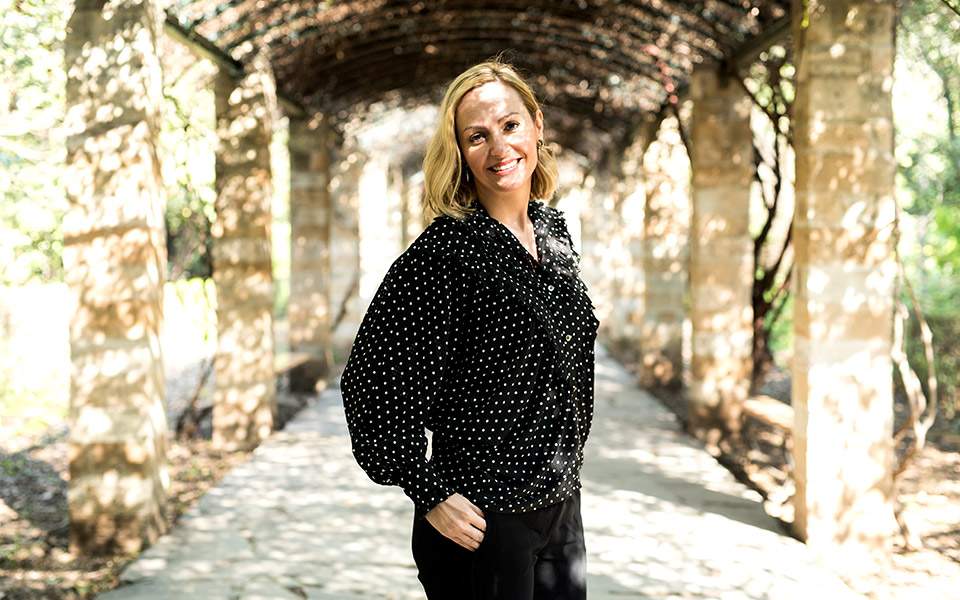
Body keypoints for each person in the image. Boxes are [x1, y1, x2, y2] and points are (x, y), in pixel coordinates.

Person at [339, 56, 599, 600]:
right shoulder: (444, 254)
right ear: (459, 151)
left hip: (559, 504)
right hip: (482, 521)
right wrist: (428, 491)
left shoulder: (551, 230)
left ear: (536, 125)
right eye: (477, 136)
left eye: (510, 125)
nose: (500, 148)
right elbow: (369, 381)